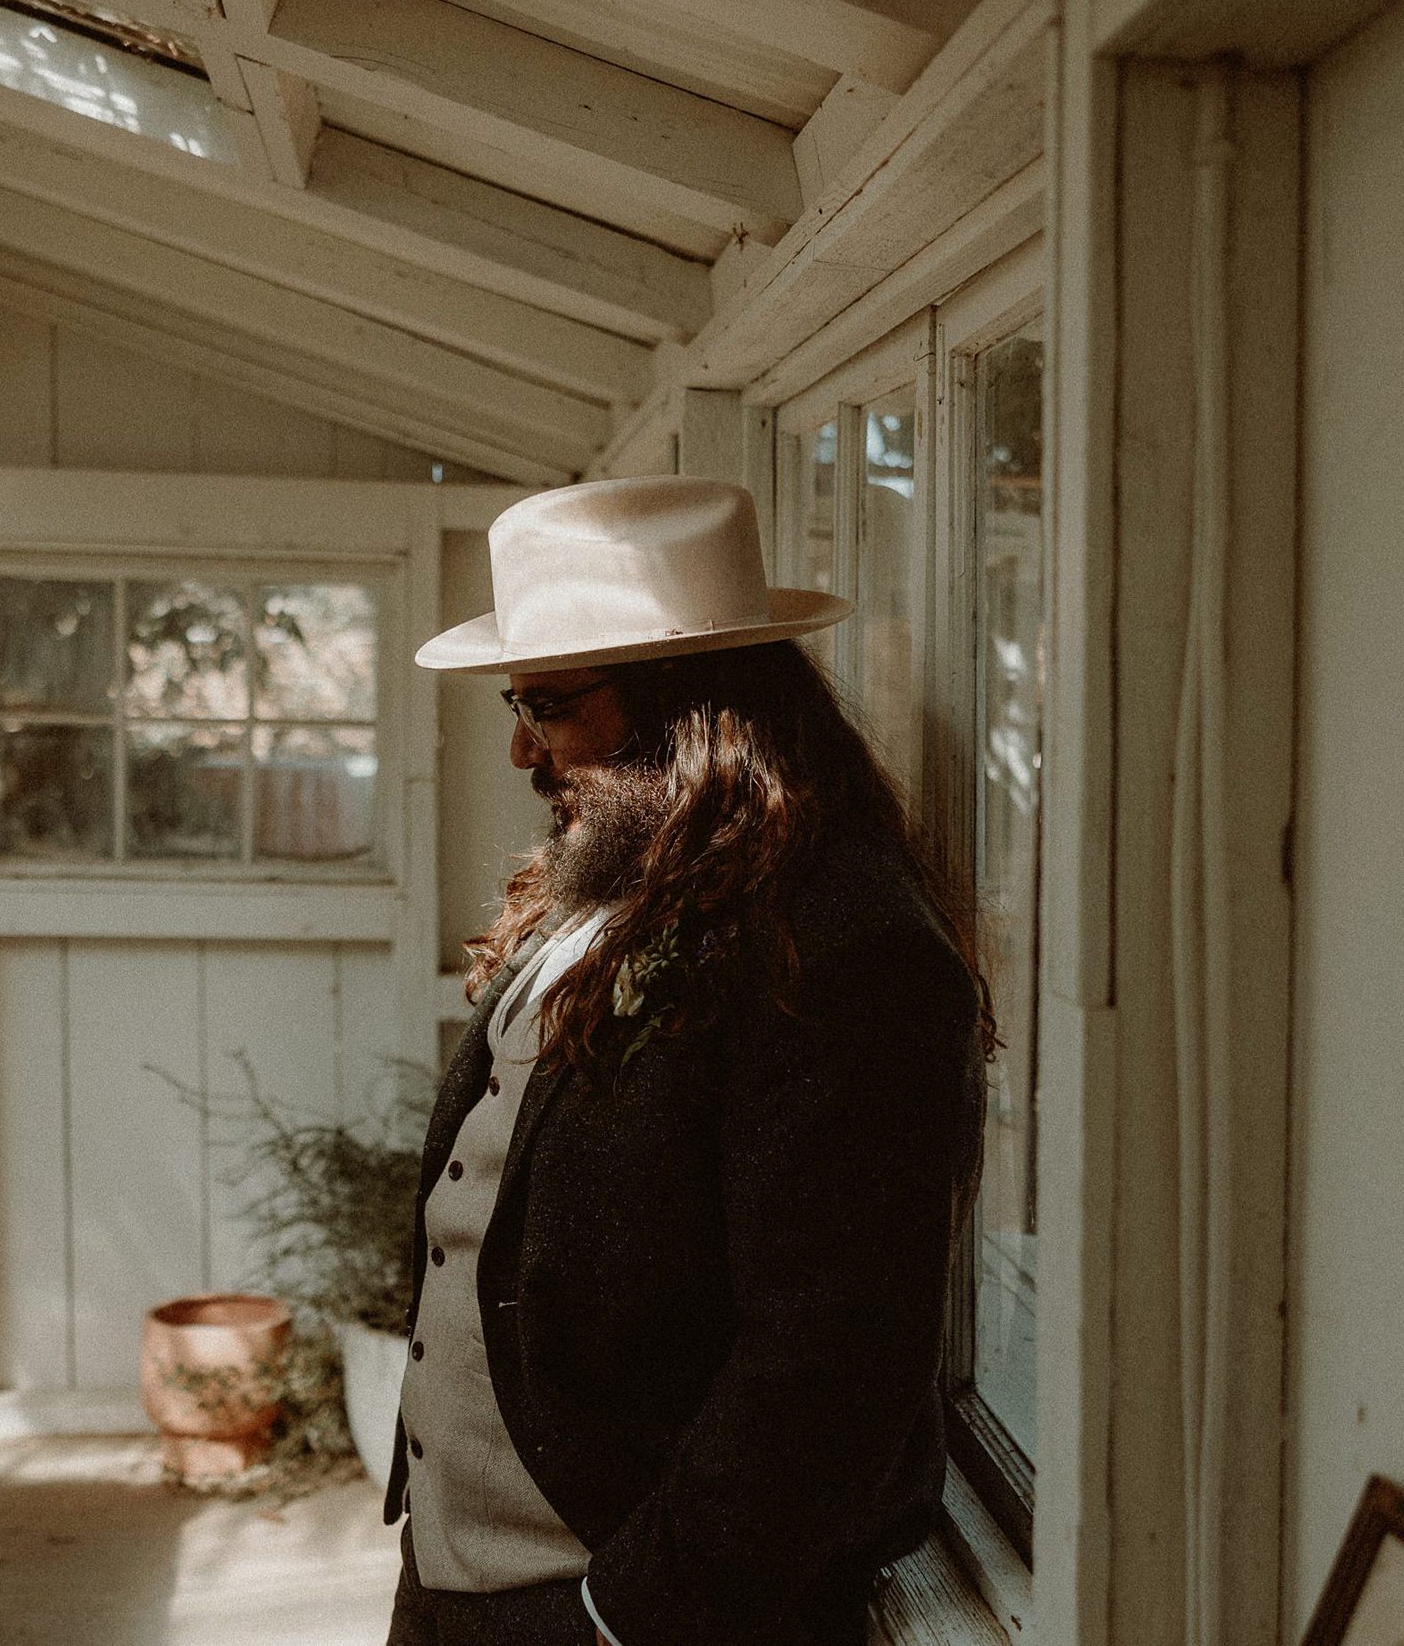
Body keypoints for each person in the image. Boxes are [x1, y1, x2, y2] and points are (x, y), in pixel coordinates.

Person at [386, 475, 990, 1646]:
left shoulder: (840, 938)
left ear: (694, 700)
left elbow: (836, 1354)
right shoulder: (605, 884)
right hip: (462, 1584)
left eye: (549, 703)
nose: (520, 746)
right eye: (517, 700)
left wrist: (627, 1613)